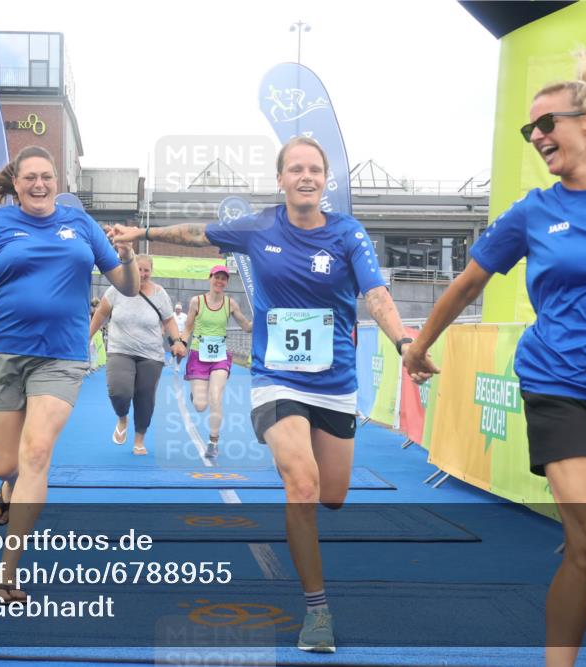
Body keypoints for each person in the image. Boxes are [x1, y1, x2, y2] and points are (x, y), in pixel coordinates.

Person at [402, 50, 586, 667]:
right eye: (529, 130)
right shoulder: (534, 210)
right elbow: (467, 283)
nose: (536, 138)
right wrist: (418, 347)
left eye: (546, 124)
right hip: (557, 385)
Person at [110, 136, 420, 653]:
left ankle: (307, 485)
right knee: (301, 483)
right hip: (278, 379)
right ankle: (316, 610)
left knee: (333, 495)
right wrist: (143, 230)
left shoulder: (348, 233)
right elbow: (194, 234)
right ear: (280, 179)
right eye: (295, 168)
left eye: (314, 169)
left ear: (324, 180)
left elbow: (377, 294)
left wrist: (404, 340)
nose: (306, 176)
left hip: (335, 381)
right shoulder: (259, 227)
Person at [0, 146, 139, 605]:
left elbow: (126, 286)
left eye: (47, 177)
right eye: (30, 177)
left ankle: (6, 573)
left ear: (58, 182)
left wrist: (127, 257)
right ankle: (8, 486)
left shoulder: (82, 226)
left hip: (62, 356)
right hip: (5, 354)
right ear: (16, 183)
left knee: (36, 454)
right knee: (6, 464)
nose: (39, 184)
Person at [88, 255, 186, 455]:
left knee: (145, 398)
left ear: (152, 271)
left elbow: (168, 321)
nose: (142, 274)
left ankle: (139, 440)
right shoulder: (116, 290)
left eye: (146, 270)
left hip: (151, 355)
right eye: (138, 269)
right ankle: (122, 417)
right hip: (120, 350)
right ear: (130, 269)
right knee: (119, 391)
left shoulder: (160, 294)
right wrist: (86, 337)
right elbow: (100, 314)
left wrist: (177, 341)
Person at [179, 265, 252, 458]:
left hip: (219, 355)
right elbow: (188, 328)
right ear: (210, 278)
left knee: (216, 396)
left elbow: (246, 327)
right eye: (216, 277)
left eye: (223, 279)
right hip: (198, 354)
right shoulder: (197, 302)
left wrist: (264, 318)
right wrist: (181, 343)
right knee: (201, 406)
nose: (220, 281)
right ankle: (196, 395)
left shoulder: (230, 304)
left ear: (226, 282)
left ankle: (213, 441)